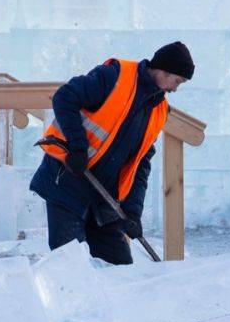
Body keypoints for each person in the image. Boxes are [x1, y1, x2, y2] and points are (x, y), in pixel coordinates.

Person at [30, 42, 194, 265]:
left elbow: (141, 165)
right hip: (69, 183)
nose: (176, 88)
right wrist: (77, 148)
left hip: (104, 200)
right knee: (70, 266)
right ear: (163, 69)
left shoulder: (159, 111)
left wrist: (133, 212)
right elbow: (65, 97)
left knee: (122, 269)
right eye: (177, 81)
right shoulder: (115, 76)